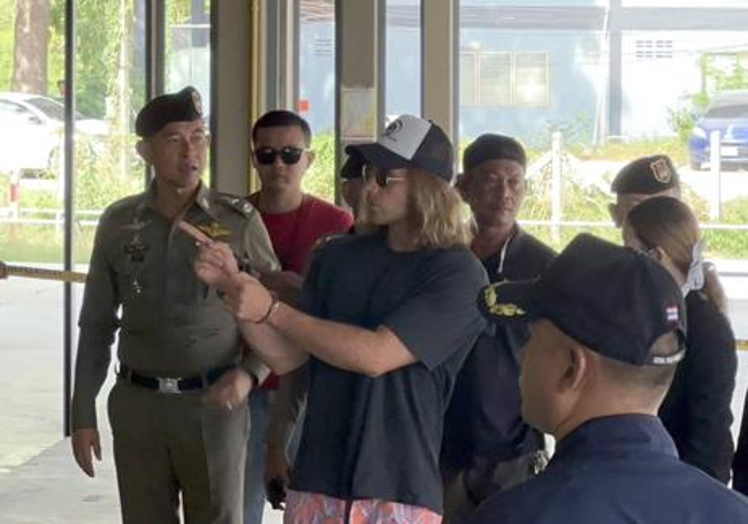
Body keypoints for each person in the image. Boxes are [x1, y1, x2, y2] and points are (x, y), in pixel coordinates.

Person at [183, 114, 488, 523]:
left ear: (428, 186)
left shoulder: (458, 273)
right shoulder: (336, 256)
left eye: (384, 176)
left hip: (398, 488)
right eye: (367, 172)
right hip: (317, 478)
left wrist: (272, 310)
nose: (369, 186)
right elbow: (289, 358)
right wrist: (232, 286)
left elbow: (376, 355)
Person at [70, 86, 279, 524]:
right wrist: (82, 408)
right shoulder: (119, 223)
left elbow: (272, 311)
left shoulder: (238, 221)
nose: (191, 150)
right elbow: (96, 323)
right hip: (138, 406)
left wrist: (250, 373)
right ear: (145, 150)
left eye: (199, 136)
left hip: (213, 404)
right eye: (174, 139)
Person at [468, 233, 748, 524]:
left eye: (532, 337)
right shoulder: (734, 512)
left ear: (571, 369)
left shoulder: (512, 516)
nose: (524, 355)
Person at [243, 110, 353, 524]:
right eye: (267, 155)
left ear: (309, 159)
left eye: (290, 154)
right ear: (254, 159)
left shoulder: (338, 225)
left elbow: (346, 309)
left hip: (312, 388)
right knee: (239, 507)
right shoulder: (231, 220)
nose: (278, 166)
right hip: (244, 384)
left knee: (313, 508)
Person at [440, 134, 555, 523]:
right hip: (435, 444)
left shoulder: (545, 267)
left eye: (515, 181)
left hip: (511, 451)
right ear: (464, 186)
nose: (505, 193)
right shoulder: (440, 257)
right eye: (491, 179)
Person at [611, 156, 735, 482]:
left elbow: (709, 435)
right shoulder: (632, 310)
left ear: (656, 256)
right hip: (629, 476)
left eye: (631, 250)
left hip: (676, 489)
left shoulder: (705, 326)